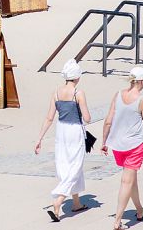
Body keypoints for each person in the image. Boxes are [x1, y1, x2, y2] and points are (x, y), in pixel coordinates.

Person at [101, 66, 143, 230]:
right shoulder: (142, 100)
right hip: (134, 145)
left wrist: (104, 142)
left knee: (131, 178)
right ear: (141, 81)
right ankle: (117, 221)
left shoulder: (118, 95)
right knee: (126, 181)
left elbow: (108, 120)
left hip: (117, 146)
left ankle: (140, 210)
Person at [34, 60, 90, 222]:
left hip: (61, 131)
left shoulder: (56, 93)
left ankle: (77, 203)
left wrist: (39, 138)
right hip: (75, 132)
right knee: (76, 164)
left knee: (67, 164)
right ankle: (58, 202)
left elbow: (49, 118)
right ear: (77, 77)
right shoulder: (78, 93)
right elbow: (87, 117)